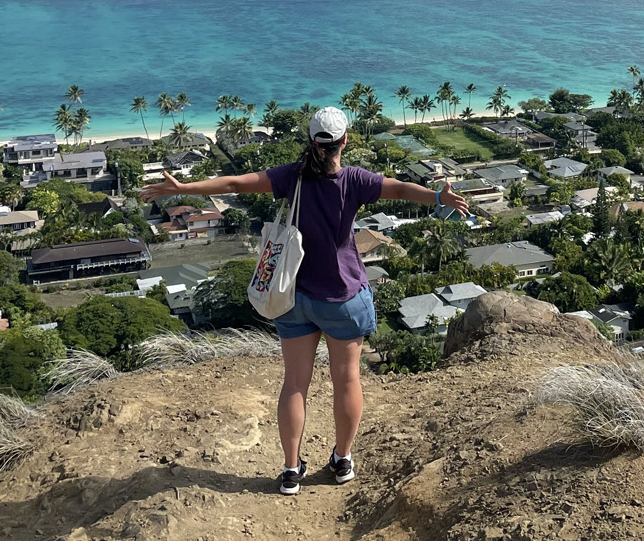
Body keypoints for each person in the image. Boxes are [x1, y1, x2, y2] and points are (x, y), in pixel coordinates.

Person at [140, 105, 471, 496]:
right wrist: (437, 196)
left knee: (295, 383)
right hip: (343, 297)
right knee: (347, 380)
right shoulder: (354, 180)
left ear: (311, 142)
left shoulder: (290, 177)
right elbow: (399, 187)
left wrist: (183, 189)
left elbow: (234, 185)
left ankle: (291, 469)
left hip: (292, 296)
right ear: (345, 141)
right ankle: (343, 460)